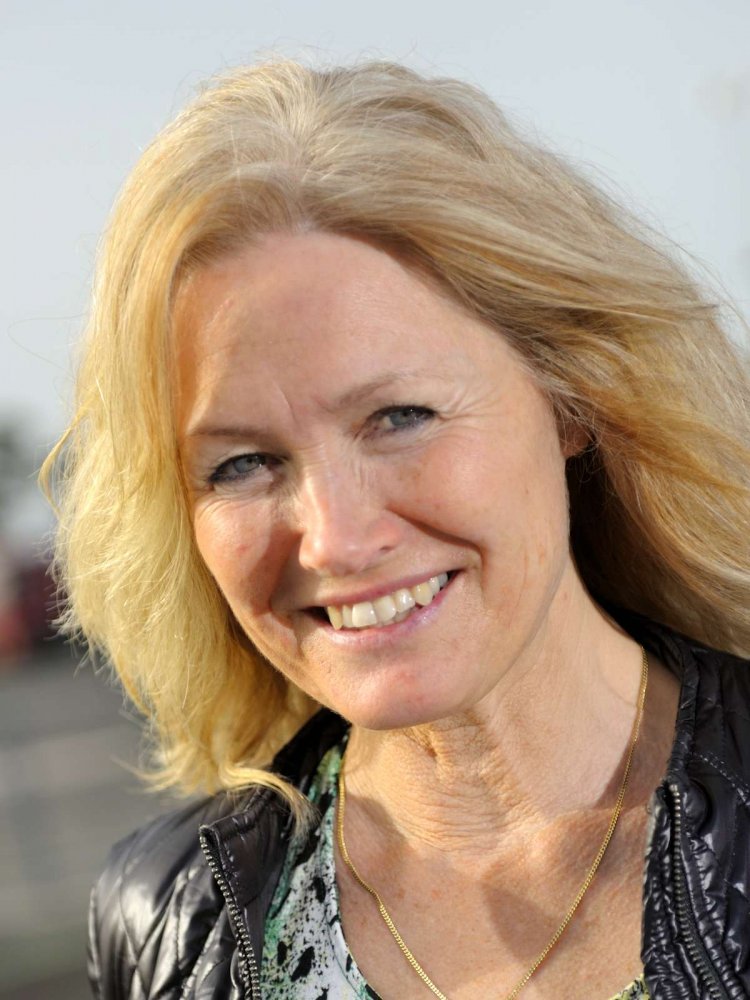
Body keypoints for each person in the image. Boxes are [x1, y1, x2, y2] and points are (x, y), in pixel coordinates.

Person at [42, 60, 750, 999]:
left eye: (400, 417)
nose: (335, 539)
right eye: (241, 464)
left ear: (574, 398)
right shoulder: (167, 920)